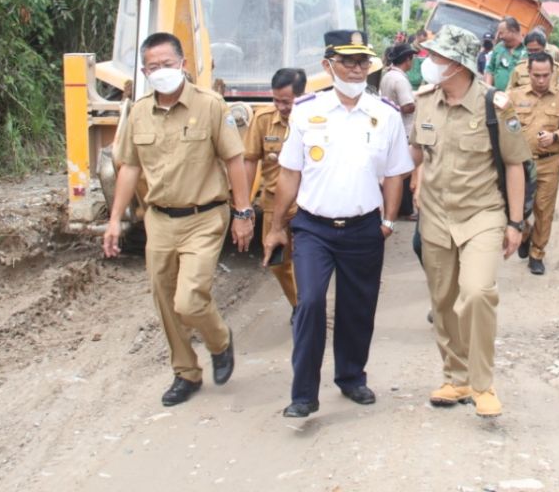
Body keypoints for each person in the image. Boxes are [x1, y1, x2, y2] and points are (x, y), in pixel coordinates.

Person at [263, 30, 414, 418]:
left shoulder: (386, 115)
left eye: (363, 61)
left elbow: (396, 173)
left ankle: (351, 378)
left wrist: (388, 221)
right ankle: (303, 395)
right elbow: (290, 174)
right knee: (310, 303)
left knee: (357, 308)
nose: (357, 68)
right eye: (348, 61)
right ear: (327, 65)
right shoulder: (305, 111)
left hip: (365, 227)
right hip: (314, 228)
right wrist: (277, 225)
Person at [103, 32, 254, 407]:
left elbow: (235, 161)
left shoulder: (211, 106)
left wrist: (243, 212)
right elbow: (128, 169)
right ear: (143, 71)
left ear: (183, 64)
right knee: (165, 300)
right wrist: (113, 220)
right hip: (160, 220)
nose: (160, 72)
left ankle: (219, 341)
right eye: (152, 67)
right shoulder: (138, 112)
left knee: (189, 300)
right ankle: (185, 372)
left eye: (167, 64)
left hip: (204, 217)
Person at [409, 25, 531, 417]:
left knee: (477, 292)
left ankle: (482, 384)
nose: (429, 63)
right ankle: (456, 377)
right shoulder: (425, 101)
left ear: (457, 64)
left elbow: (515, 166)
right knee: (443, 300)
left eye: (437, 58)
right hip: (435, 215)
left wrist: (516, 223)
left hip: (482, 213)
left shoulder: (495, 105)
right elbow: (415, 156)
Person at [243, 68, 307, 315]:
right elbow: (249, 160)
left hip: (307, 204)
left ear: (301, 97)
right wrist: (244, 204)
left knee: (309, 261)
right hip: (273, 203)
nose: (281, 106)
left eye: (286, 102)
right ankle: (298, 304)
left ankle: (306, 310)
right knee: (277, 262)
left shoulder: (315, 120)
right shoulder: (262, 120)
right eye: (276, 100)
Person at [508, 53, 559, 275]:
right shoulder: (514, 96)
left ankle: (537, 253)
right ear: (528, 71)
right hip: (520, 165)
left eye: (546, 75)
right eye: (536, 75)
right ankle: (525, 232)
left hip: (548, 163)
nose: (541, 80)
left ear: (552, 73)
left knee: (544, 210)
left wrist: (555, 137)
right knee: (517, 208)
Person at [380, 43, 418, 217]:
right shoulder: (400, 80)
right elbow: (407, 106)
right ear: (407, 59)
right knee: (405, 169)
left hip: (390, 127)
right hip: (404, 128)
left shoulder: (388, 75)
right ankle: (405, 209)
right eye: (412, 59)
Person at [484, 16, 526, 91]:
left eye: (501, 33)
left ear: (513, 31)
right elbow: (490, 69)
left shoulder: (528, 50)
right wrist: (488, 89)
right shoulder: (498, 48)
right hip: (496, 97)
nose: (500, 36)